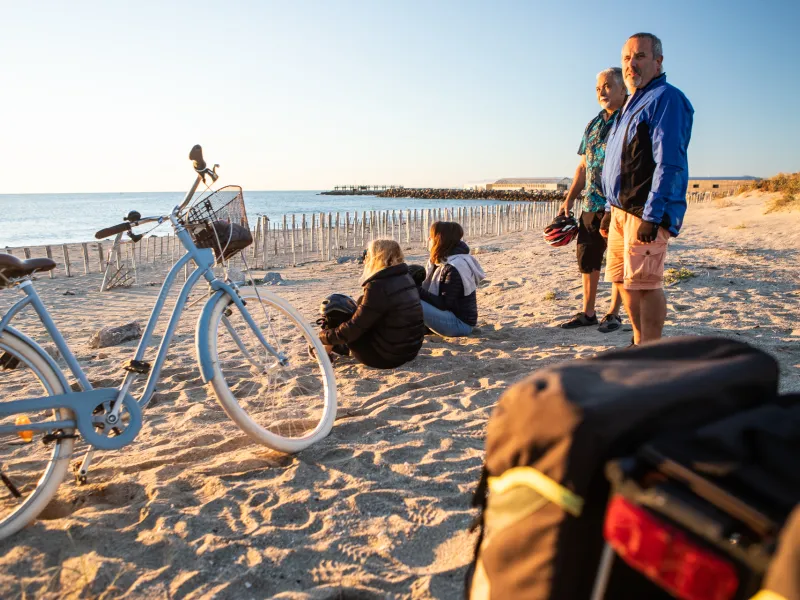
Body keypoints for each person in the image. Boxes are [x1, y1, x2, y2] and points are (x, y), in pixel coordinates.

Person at [600, 33, 694, 346]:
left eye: (639, 56)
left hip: (644, 212)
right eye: (627, 58)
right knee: (622, 280)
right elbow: (619, 161)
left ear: (658, 61)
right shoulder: (629, 104)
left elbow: (669, 163)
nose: (631, 64)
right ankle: (639, 341)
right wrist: (608, 208)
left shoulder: (665, 98)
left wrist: (652, 216)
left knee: (645, 284)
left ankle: (651, 348)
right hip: (619, 210)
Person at [559, 67, 627, 332]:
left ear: (623, 89)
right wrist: (570, 199)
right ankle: (588, 312)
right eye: (598, 88)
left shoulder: (631, 119)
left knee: (617, 260)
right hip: (591, 204)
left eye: (608, 86)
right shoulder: (592, 124)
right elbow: (582, 167)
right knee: (587, 257)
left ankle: (613, 313)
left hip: (619, 204)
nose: (602, 91)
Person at [318, 239, 425, 369]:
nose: (365, 259)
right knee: (361, 301)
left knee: (337, 305)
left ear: (377, 258)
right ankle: (332, 346)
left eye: (367, 255)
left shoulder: (377, 285)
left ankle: (324, 350)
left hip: (385, 357)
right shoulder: (406, 276)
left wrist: (324, 336)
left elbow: (354, 328)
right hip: (409, 351)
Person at [418, 221, 485, 337]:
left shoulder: (454, 267)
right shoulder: (441, 260)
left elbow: (444, 303)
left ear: (439, 240)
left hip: (460, 324)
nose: (428, 239)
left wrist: (416, 290)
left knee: (412, 301)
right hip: (449, 316)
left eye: (431, 236)